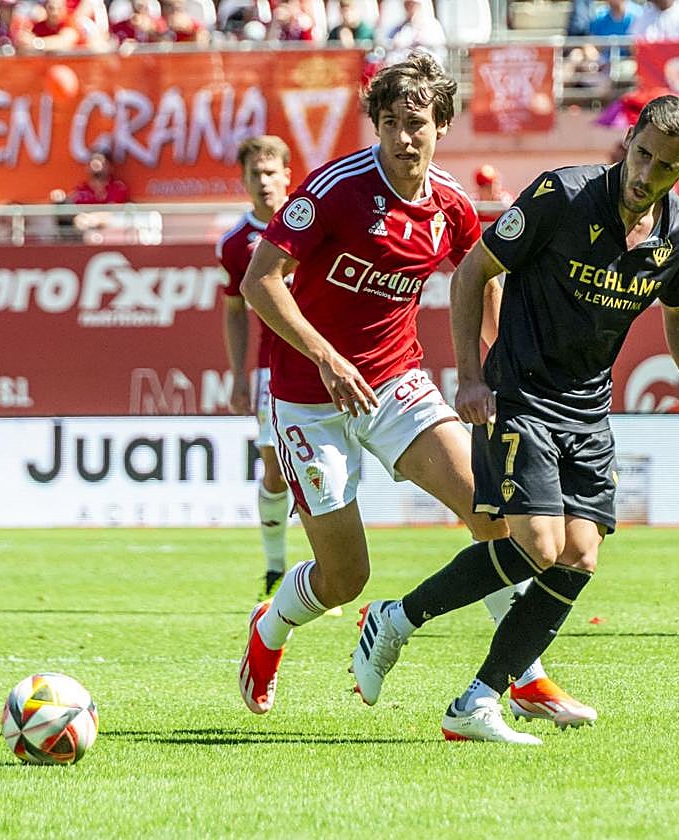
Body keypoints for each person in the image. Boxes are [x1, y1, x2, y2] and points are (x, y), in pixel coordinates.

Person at [351, 95, 679, 744]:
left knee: (579, 555)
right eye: (640, 154)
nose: (644, 174)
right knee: (540, 545)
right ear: (628, 141)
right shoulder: (563, 195)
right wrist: (470, 376)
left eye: (664, 166)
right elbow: (473, 272)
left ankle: (475, 700)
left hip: (588, 407)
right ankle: (399, 619)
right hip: (519, 394)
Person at [236, 53, 587, 722]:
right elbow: (260, 281)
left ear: (441, 125)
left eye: (417, 123)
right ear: (376, 125)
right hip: (309, 396)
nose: (403, 138)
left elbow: (481, 276)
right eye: (391, 123)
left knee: (492, 516)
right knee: (346, 577)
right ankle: (270, 628)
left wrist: (498, 365)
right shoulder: (335, 189)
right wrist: (327, 358)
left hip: (396, 382)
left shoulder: (451, 203)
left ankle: (522, 677)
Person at [217, 136, 298, 603]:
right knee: (276, 470)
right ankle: (275, 569)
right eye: (255, 174)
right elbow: (234, 311)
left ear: (287, 175)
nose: (264, 181)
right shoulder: (235, 243)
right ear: (244, 180)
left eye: (271, 172)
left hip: (329, 363)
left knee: (325, 472)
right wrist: (238, 376)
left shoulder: (314, 222)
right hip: (274, 370)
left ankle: (327, 572)